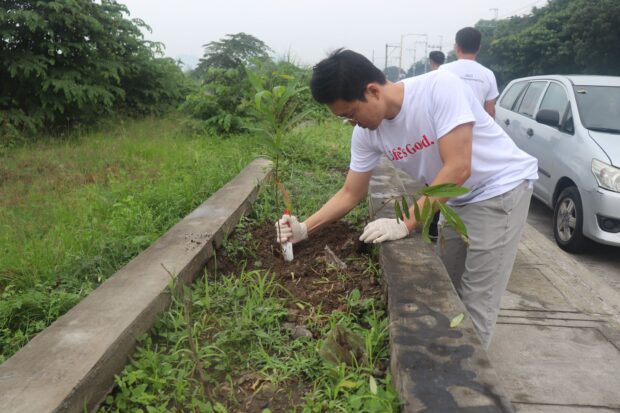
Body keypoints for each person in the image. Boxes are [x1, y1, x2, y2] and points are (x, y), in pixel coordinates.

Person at [275, 49, 538, 348]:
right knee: (447, 288)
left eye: (350, 114)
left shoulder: (440, 88)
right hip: (454, 200)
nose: (351, 123)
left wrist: (404, 222)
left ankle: (466, 383)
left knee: (478, 299)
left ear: (372, 91)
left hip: (499, 189)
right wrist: (305, 229)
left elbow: (458, 167)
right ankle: (448, 358)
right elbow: (351, 192)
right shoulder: (366, 134)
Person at [440, 27, 499, 119]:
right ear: (478, 48)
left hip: (449, 130)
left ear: (457, 47)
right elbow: (490, 111)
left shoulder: (443, 70)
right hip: (477, 131)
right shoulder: (488, 74)